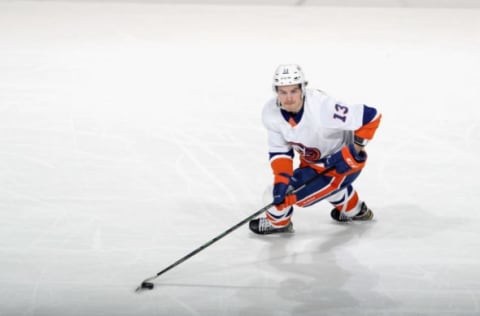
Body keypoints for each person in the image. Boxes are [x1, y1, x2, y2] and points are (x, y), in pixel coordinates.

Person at [249, 64, 382, 235]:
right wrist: (282, 179)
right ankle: (357, 212)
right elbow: (280, 151)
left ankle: (279, 223)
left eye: (293, 91)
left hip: (340, 167)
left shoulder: (323, 108)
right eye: (283, 92)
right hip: (312, 163)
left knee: (272, 197)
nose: (289, 98)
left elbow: (371, 117)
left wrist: (352, 152)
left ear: (303, 89)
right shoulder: (271, 113)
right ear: (276, 91)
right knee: (322, 191)